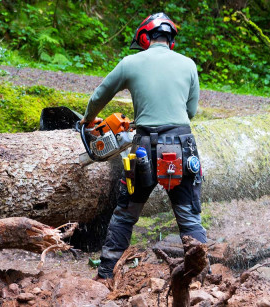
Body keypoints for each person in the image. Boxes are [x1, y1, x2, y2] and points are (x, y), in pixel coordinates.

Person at [80, 12, 206, 280]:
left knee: (126, 213)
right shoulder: (189, 64)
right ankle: (200, 277)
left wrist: (89, 120)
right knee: (189, 217)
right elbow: (191, 111)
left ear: (145, 38)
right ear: (171, 41)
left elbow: (99, 95)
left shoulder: (130, 62)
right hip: (183, 145)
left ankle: (105, 274)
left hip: (145, 146)